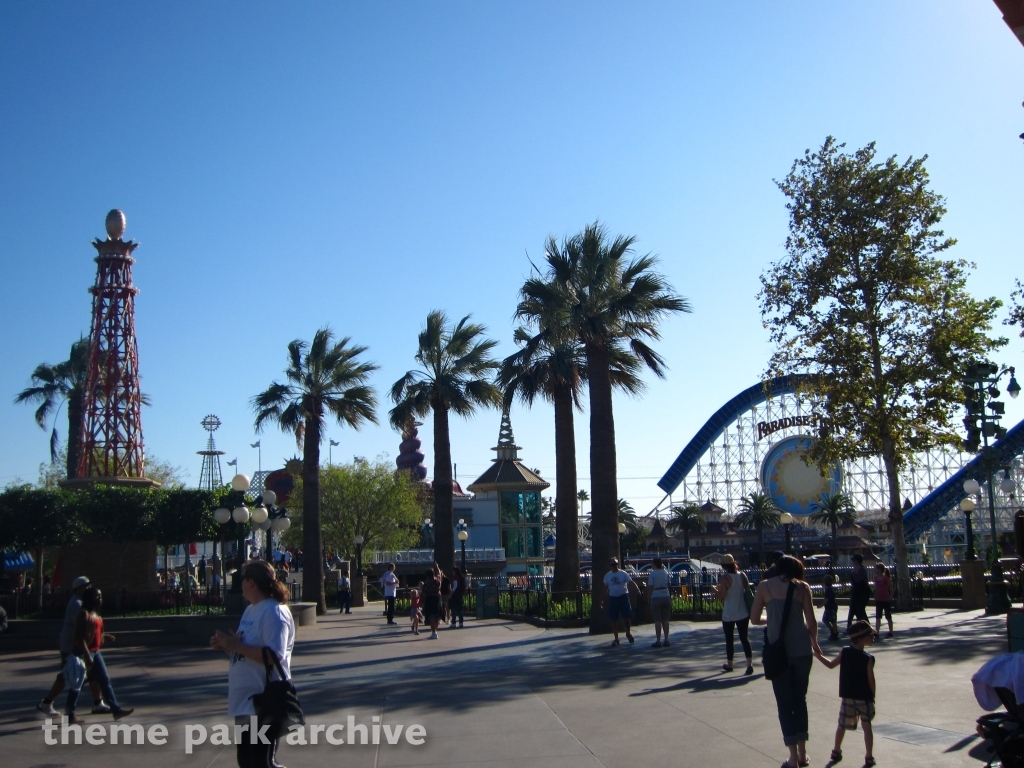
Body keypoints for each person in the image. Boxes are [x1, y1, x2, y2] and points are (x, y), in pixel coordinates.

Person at [211, 560, 295, 768]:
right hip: (244, 701)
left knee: (261, 763)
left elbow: (275, 656)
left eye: (242, 580)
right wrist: (226, 646)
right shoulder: (251, 610)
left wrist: (236, 646)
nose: (239, 585)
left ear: (251, 582)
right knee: (247, 761)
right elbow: (245, 651)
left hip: (263, 700)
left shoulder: (274, 612)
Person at [751, 555, 819, 768]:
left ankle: (791, 757)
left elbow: (754, 619)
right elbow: (812, 621)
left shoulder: (764, 586)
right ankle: (802, 753)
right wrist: (814, 643)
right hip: (801, 650)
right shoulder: (803, 587)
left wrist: (772, 618)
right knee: (800, 700)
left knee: (784, 704)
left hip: (778, 652)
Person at [37, 576, 106, 717]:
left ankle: (98, 703)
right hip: (72, 646)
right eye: (84, 586)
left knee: (92, 674)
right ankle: (47, 702)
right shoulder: (76, 605)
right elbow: (83, 628)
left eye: (89, 585)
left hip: (79, 646)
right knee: (67, 676)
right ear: (77, 589)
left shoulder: (82, 603)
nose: (88, 588)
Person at [65, 587, 134, 724]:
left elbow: (96, 634)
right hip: (83, 653)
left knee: (104, 680)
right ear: (89, 598)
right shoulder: (83, 614)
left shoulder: (96, 615)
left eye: (101, 596)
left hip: (95, 653)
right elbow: (79, 638)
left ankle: (116, 710)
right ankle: (70, 714)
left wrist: (105, 637)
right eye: (97, 596)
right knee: (76, 684)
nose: (100, 598)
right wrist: (86, 655)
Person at [813, 620, 877, 767]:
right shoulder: (868, 659)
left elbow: (830, 665)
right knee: (867, 727)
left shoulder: (845, 652)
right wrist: (873, 697)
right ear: (861, 639)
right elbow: (871, 680)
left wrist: (818, 655)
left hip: (848, 696)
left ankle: (836, 750)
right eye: (870, 635)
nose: (873, 637)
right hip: (865, 697)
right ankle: (868, 756)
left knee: (841, 725)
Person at [717, 554, 753, 674]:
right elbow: (746, 590)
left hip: (728, 613)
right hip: (742, 611)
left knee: (729, 640)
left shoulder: (724, 578)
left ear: (723, 566)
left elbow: (722, 596)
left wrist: (714, 590)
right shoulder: (742, 575)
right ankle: (749, 664)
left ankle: (730, 664)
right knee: (744, 638)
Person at [599, 558, 640, 646]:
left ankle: (628, 633)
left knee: (627, 617)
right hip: (613, 598)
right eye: (613, 564)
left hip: (623, 597)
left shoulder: (623, 573)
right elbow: (605, 588)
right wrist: (602, 599)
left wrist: (637, 589)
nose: (615, 566)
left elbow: (630, 582)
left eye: (616, 564)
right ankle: (616, 638)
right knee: (613, 619)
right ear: (610, 565)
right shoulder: (608, 576)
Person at [648, 557, 672, 647]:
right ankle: (666, 639)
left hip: (656, 595)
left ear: (654, 564)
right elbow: (668, 584)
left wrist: (648, 598)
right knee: (665, 619)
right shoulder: (665, 572)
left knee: (658, 620)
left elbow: (650, 586)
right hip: (666, 595)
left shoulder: (653, 574)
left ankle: (658, 640)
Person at [847, 554, 871, 632]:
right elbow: (852, 581)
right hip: (855, 592)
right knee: (853, 609)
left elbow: (858, 580)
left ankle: (864, 627)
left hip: (863, 593)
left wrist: (854, 572)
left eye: (855, 560)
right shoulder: (853, 569)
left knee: (860, 610)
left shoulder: (862, 570)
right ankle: (849, 627)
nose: (853, 562)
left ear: (858, 561)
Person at [873, 564, 893, 638]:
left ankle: (891, 631)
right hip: (878, 600)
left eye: (876, 568)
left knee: (888, 616)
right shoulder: (875, 578)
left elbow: (892, 588)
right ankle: (877, 632)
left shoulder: (885, 578)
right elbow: (876, 588)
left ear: (879, 569)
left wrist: (890, 597)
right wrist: (875, 596)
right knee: (878, 617)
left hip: (886, 600)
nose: (874, 570)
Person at [421, 568, 442, 639]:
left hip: (429, 599)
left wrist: (421, 602)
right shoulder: (437, 581)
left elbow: (424, 593)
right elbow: (440, 576)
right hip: (437, 599)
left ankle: (434, 632)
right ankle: (435, 631)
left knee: (431, 616)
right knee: (437, 616)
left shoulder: (427, 583)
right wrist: (437, 567)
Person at [822, 574, 839, 642]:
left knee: (833, 621)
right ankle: (833, 630)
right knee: (825, 619)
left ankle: (834, 633)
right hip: (830, 607)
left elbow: (827, 599)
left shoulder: (829, 590)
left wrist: (821, 605)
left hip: (831, 607)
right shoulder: (829, 589)